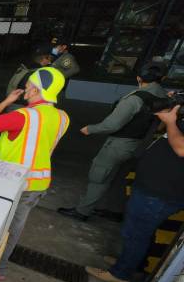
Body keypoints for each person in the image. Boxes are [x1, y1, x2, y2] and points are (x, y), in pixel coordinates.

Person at [0, 67, 70, 280]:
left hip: (13, 184)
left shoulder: (23, 116)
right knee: (14, 228)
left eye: (27, 87)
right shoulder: (63, 117)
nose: (25, 90)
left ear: (36, 90)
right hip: (39, 183)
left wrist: (6, 102)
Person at [86, 103, 184, 282]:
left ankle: (120, 274)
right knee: (142, 232)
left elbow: (181, 148)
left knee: (135, 233)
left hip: (159, 194)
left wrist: (171, 122)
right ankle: (132, 263)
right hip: (154, 190)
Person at [58, 64, 169, 222]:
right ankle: (115, 210)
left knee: (99, 177)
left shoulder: (135, 99)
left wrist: (90, 129)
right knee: (120, 178)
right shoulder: (164, 97)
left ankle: (82, 211)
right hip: (140, 144)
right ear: (163, 78)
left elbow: (112, 125)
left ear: (139, 78)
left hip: (119, 145)